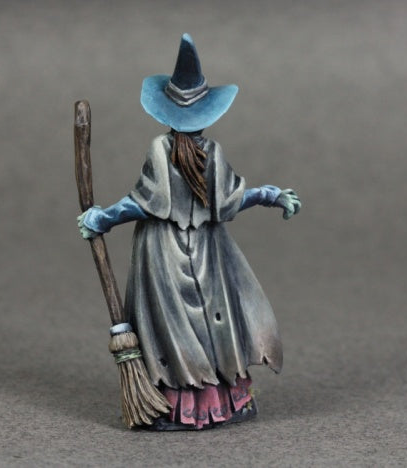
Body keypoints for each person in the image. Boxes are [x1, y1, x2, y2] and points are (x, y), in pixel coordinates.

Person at [78, 34, 301, 430]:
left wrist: (103, 218)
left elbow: (144, 202)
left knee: (176, 326)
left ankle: (199, 406)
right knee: (202, 324)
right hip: (203, 250)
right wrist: (270, 195)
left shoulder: (165, 150)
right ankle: (204, 405)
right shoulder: (206, 152)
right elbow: (226, 199)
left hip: (164, 253)